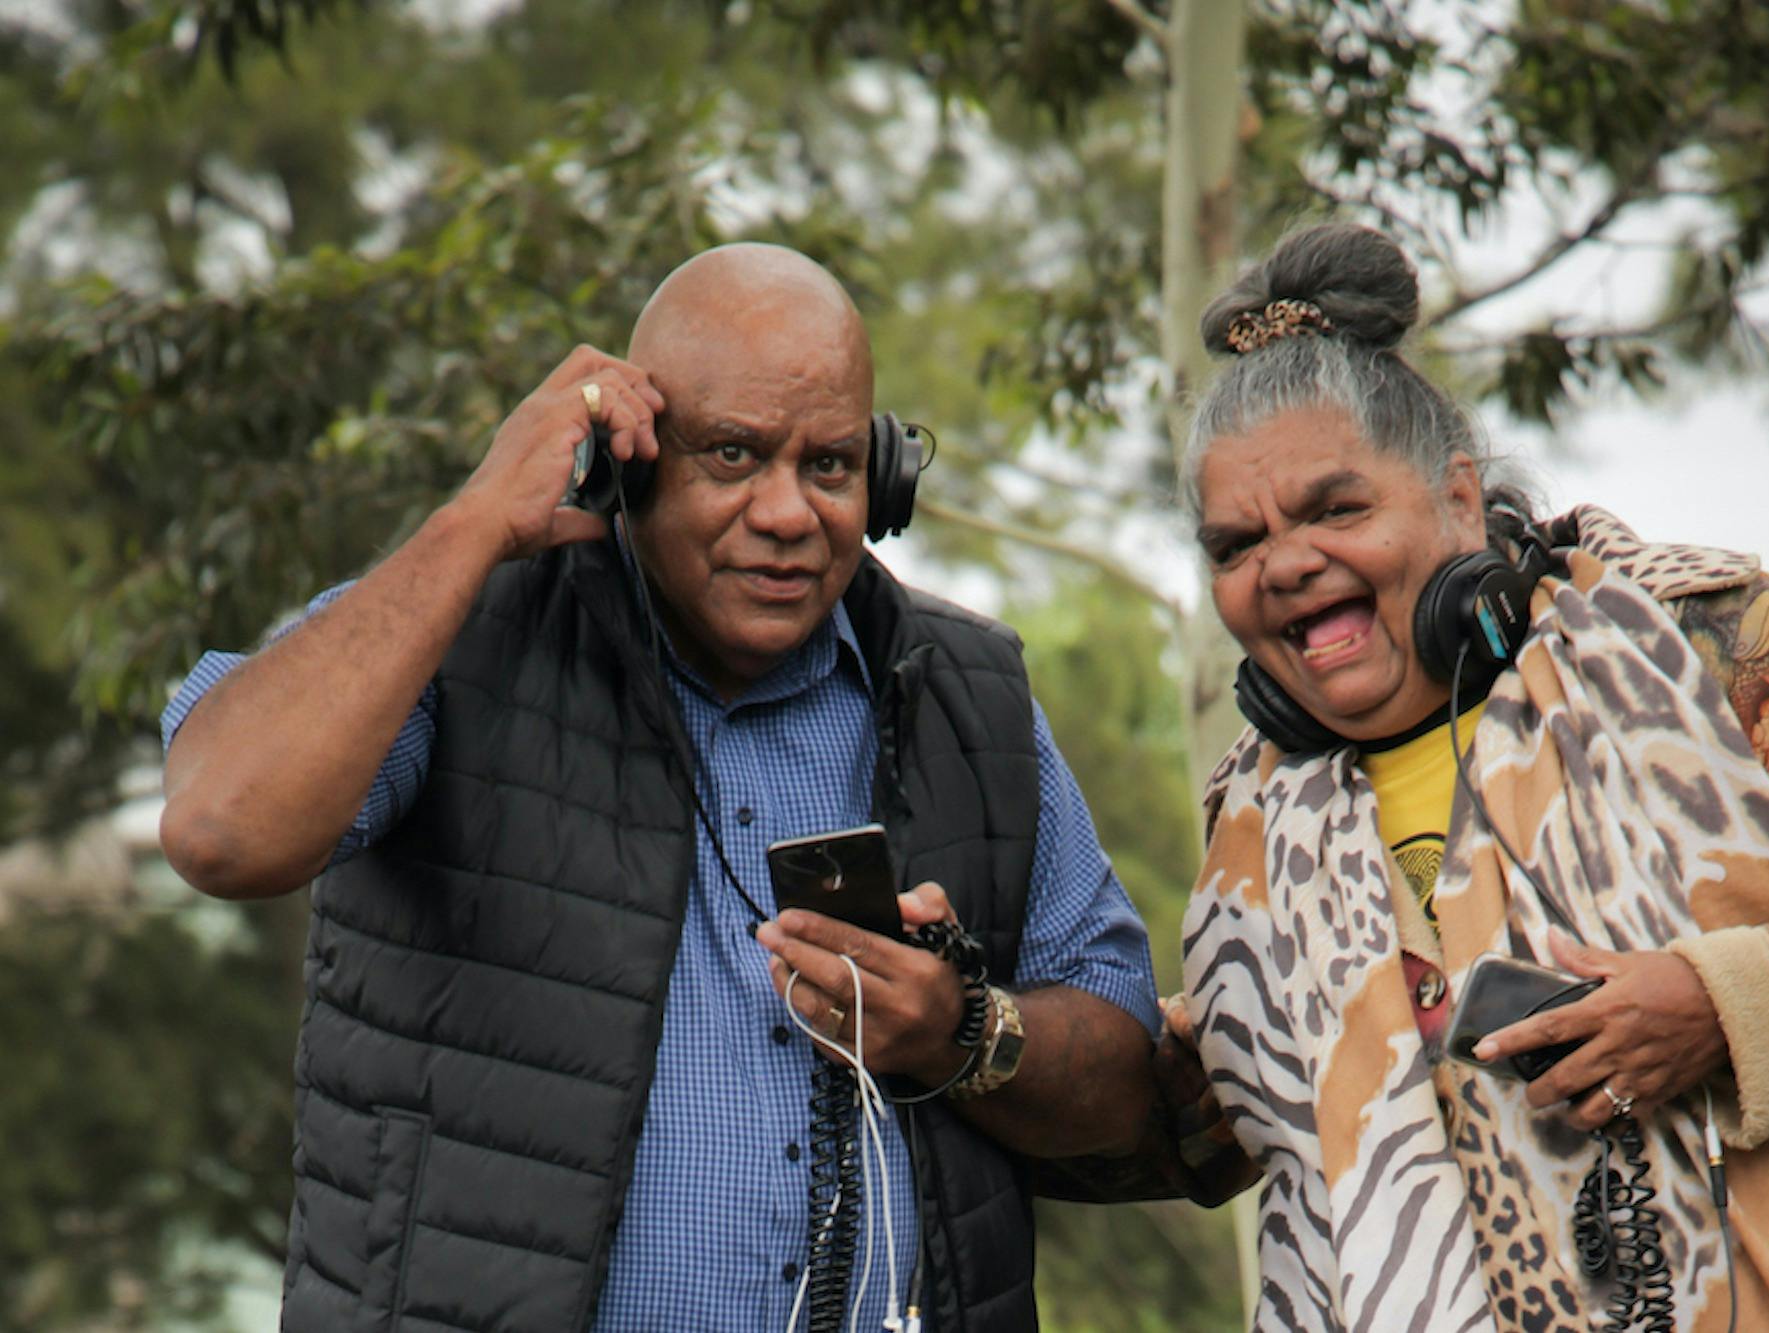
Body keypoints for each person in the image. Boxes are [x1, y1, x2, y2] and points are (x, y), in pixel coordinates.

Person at [156, 243, 1159, 1332]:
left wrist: (957, 1030)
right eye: (731, 455)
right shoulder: (450, 640)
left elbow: (1121, 1076)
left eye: (826, 464)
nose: (786, 512)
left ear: (879, 477)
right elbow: (220, 828)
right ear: (624, 466)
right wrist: (477, 519)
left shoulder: (970, 698)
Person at [1165, 221, 1769, 1330]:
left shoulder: (1713, 642)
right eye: (1235, 544)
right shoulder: (1251, 827)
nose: (1283, 564)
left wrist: (1719, 1003)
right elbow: (1214, 1123)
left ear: (1456, 497)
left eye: (1335, 509)